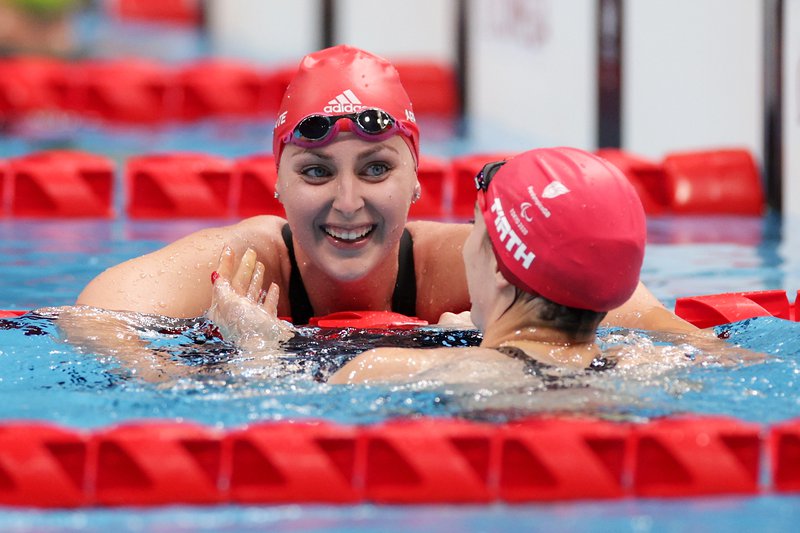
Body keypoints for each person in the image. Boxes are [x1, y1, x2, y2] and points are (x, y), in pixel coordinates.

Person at [76, 44, 697, 334]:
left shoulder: (466, 265)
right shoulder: (243, 269)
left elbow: (647, 326)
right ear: (277, 184)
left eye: (376, 169)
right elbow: (92, 322)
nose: (348, 202)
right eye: (316, 172)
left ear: (417, 180)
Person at [212, 146, 648, 383]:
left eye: (475, 231)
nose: (463, 248)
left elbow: (291, 418)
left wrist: (257, 348)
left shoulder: (383, 369)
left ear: (500, 269)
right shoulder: (641, 365)